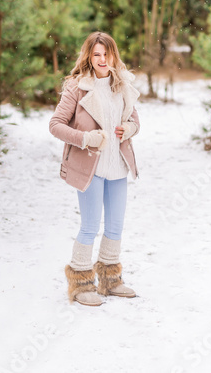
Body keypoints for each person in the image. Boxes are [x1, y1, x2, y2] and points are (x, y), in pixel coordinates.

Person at [49, 31, 140, 307]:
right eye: (96, 54)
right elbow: (55, 125)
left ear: (114, 55)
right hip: (91, 167)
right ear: (89, 57)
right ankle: (79, 284)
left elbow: (135, 119)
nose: (102, 59)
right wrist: (85, 138)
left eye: (106, 53)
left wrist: (131, 129)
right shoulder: (78, 87)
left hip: (118, 167)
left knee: (115, 225)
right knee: (89, 226)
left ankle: (110, 280)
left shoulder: (121, 85)